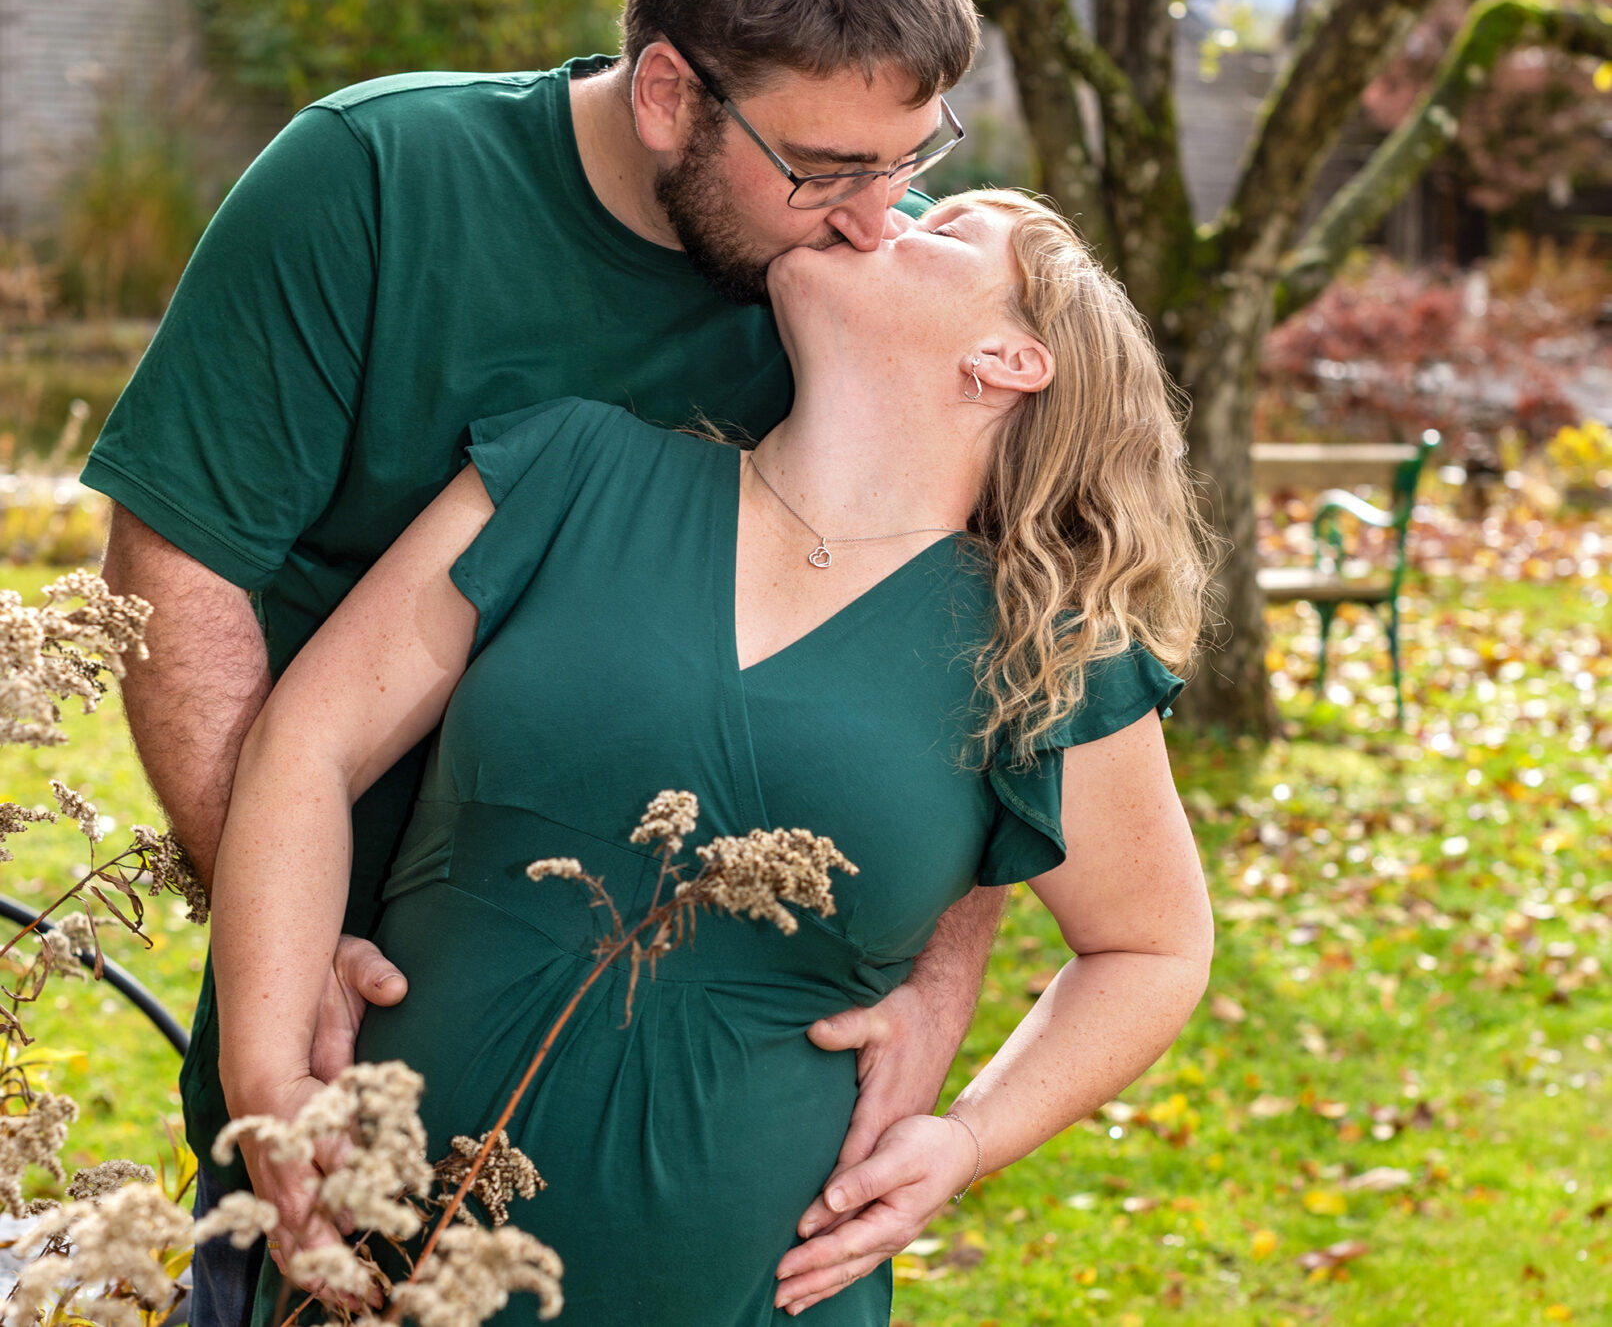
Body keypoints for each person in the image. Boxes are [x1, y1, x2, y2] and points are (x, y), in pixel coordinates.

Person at [84, 0, 1006, 1327]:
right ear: (667, 92)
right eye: (828, 167)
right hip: (347, 1054)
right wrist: (284, 952)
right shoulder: (376, 181)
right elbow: (178, 563)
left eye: (911, 158)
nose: (873, 215)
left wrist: (939, 973)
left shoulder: (860, 301)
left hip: (707, 1155)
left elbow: (987, 654)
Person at [212, 188, 1216, 1325]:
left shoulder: (1042, 653)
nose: (875, 215)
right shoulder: (568, 473)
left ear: (1010, 360)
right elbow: (308, 742)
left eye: (941, 228)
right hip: (374, 1253)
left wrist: (968, 1139)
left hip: (751, 1289)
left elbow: (1153, 946)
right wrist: (267, 1073)